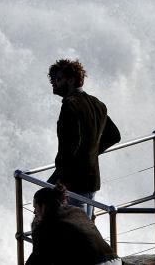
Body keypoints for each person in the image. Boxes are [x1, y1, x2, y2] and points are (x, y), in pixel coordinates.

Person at [47, 58, 121, 218]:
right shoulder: (97, 104)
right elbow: (114, 136)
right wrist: (91, 152)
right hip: (91, 178)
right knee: (85, 225)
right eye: (53, 80)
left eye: (58, 79)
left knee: (74, 228)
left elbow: (71, 144)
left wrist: (60, 177)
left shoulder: (70, 105)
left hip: (73, 181)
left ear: (72, 80)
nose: (54, 83)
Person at [26, 184, 121, 265]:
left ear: (44, 206)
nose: (34, 212)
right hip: (115, 260)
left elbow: (37, 258)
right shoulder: (77, 211)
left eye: (35, 207)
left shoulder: (45, 226)